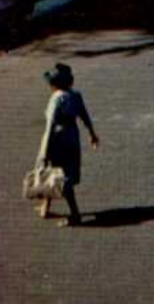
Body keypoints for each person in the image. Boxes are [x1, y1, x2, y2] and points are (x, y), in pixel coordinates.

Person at [35, 63, 99, 226]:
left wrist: (44, 152)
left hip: (58, 139)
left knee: (58, 174)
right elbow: (84, 115)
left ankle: (75, 214)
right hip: (72, 136)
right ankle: (45, 207)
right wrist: (92, 133)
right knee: (58, 172)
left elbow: (50, 127)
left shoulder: (56, 99)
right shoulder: (76, 95)